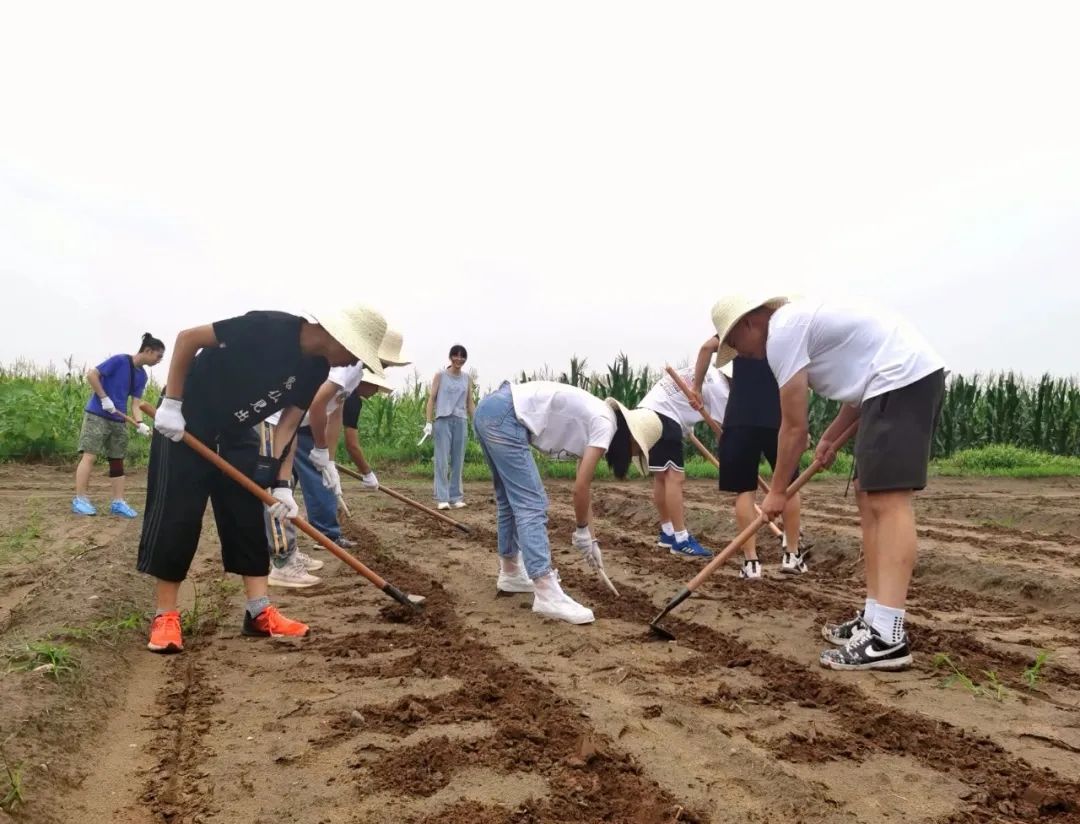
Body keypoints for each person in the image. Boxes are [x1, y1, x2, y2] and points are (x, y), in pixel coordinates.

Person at [708, 293, 946, 671]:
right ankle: (874, 619)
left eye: (737, 345)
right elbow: (857, 382)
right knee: (869, 499)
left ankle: (888, 635)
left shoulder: (783, 334)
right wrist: (831, 438)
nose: (745, 356)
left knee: (888, 501)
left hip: (901, 381)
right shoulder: (797, 326)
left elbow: (793, 428)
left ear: (750, 323)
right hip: (887, 384)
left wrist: (778, 492)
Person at [137, 306, 387, 654]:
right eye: (356, 352)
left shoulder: (315, 367)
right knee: (177, 514)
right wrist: (173, 404)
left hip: (236, 429)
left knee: (245, 513)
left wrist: (282, 484)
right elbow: (187, 339)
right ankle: (166, 616)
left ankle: (258, 612)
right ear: (340, 338)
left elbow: (288, 425)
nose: (353, 362)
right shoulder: (269, 327)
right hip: (186, 422)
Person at [473, 381, 661, 625]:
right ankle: (545, 590)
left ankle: (510, 572)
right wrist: (582, 531)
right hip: (506, 415)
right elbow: (580, 488)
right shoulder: (606, 425)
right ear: (631, 439)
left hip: (492, 409)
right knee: (532, 502)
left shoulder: (597, 419)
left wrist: (591, 539)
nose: (633, 456)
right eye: (636, 451)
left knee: (510, 500)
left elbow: (583, 487)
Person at [691, 345, 805, 579]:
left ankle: (751, 563)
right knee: (789, 486)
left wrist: (696, 387)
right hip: (777, 417)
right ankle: (792, 556)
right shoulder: (778, 334)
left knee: (744, 491)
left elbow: (706, 348)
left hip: (740, 419)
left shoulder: (737, 332)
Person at [637, 364, 730, 560]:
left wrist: (685, 426)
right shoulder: (721, 391)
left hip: (648, 415)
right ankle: (681, 539)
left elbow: (680, 399)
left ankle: (668, 533)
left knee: (662, 476)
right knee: (674, 477)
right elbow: (722, 432)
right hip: (665, 417)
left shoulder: (708, 371)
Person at [73, 333, 166, 518]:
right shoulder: (119, 360)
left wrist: (140, 423)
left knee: (117, 460)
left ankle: (118, 502)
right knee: (89, 456)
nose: (159, 360)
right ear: (148, 351)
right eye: (158, 356)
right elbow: (92, 375)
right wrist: (104, 398)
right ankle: (80, 499)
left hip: (118, 420)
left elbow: (135, 403)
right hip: (97, 414)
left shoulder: (142, 376)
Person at [423, 344, 475, 510]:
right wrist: (428, 421)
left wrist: (476, 422)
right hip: (443, 420)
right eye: (456, 355)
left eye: (462, 356)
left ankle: (456, 496)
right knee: (442, 460)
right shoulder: (441, 375)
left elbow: (470, 402)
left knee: (458, 460)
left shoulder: (467, 378)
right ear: (450, 357)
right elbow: (432, 398)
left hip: (460, 420)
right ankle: (442, 497)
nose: (459, 359)